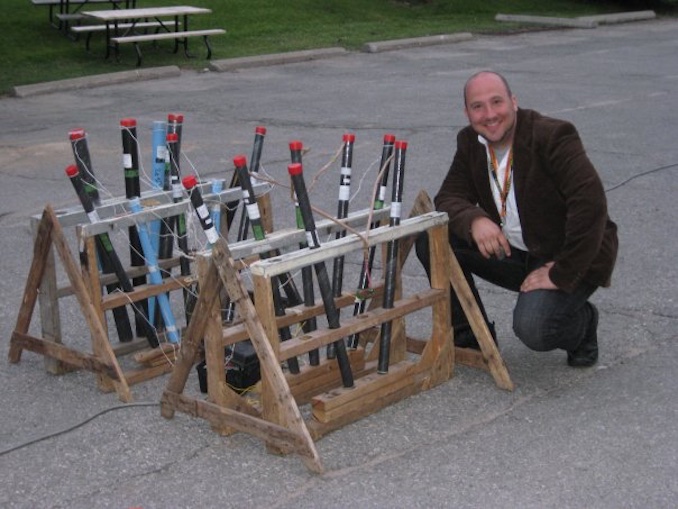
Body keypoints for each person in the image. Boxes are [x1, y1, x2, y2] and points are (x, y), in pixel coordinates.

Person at [416, 70, 618, 367]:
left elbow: (590, 206)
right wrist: (474, 220)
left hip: (566, 255)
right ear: (467, 112)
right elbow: (448, 197)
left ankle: (583, 325)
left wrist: (561, 271)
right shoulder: (470, 141)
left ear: (513, 101)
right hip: (513, 250)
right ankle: (473, 338)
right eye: (478, 106)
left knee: (535, 329)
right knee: (430, 239)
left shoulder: (553, 136)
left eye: (496, 102)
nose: (489, 114)